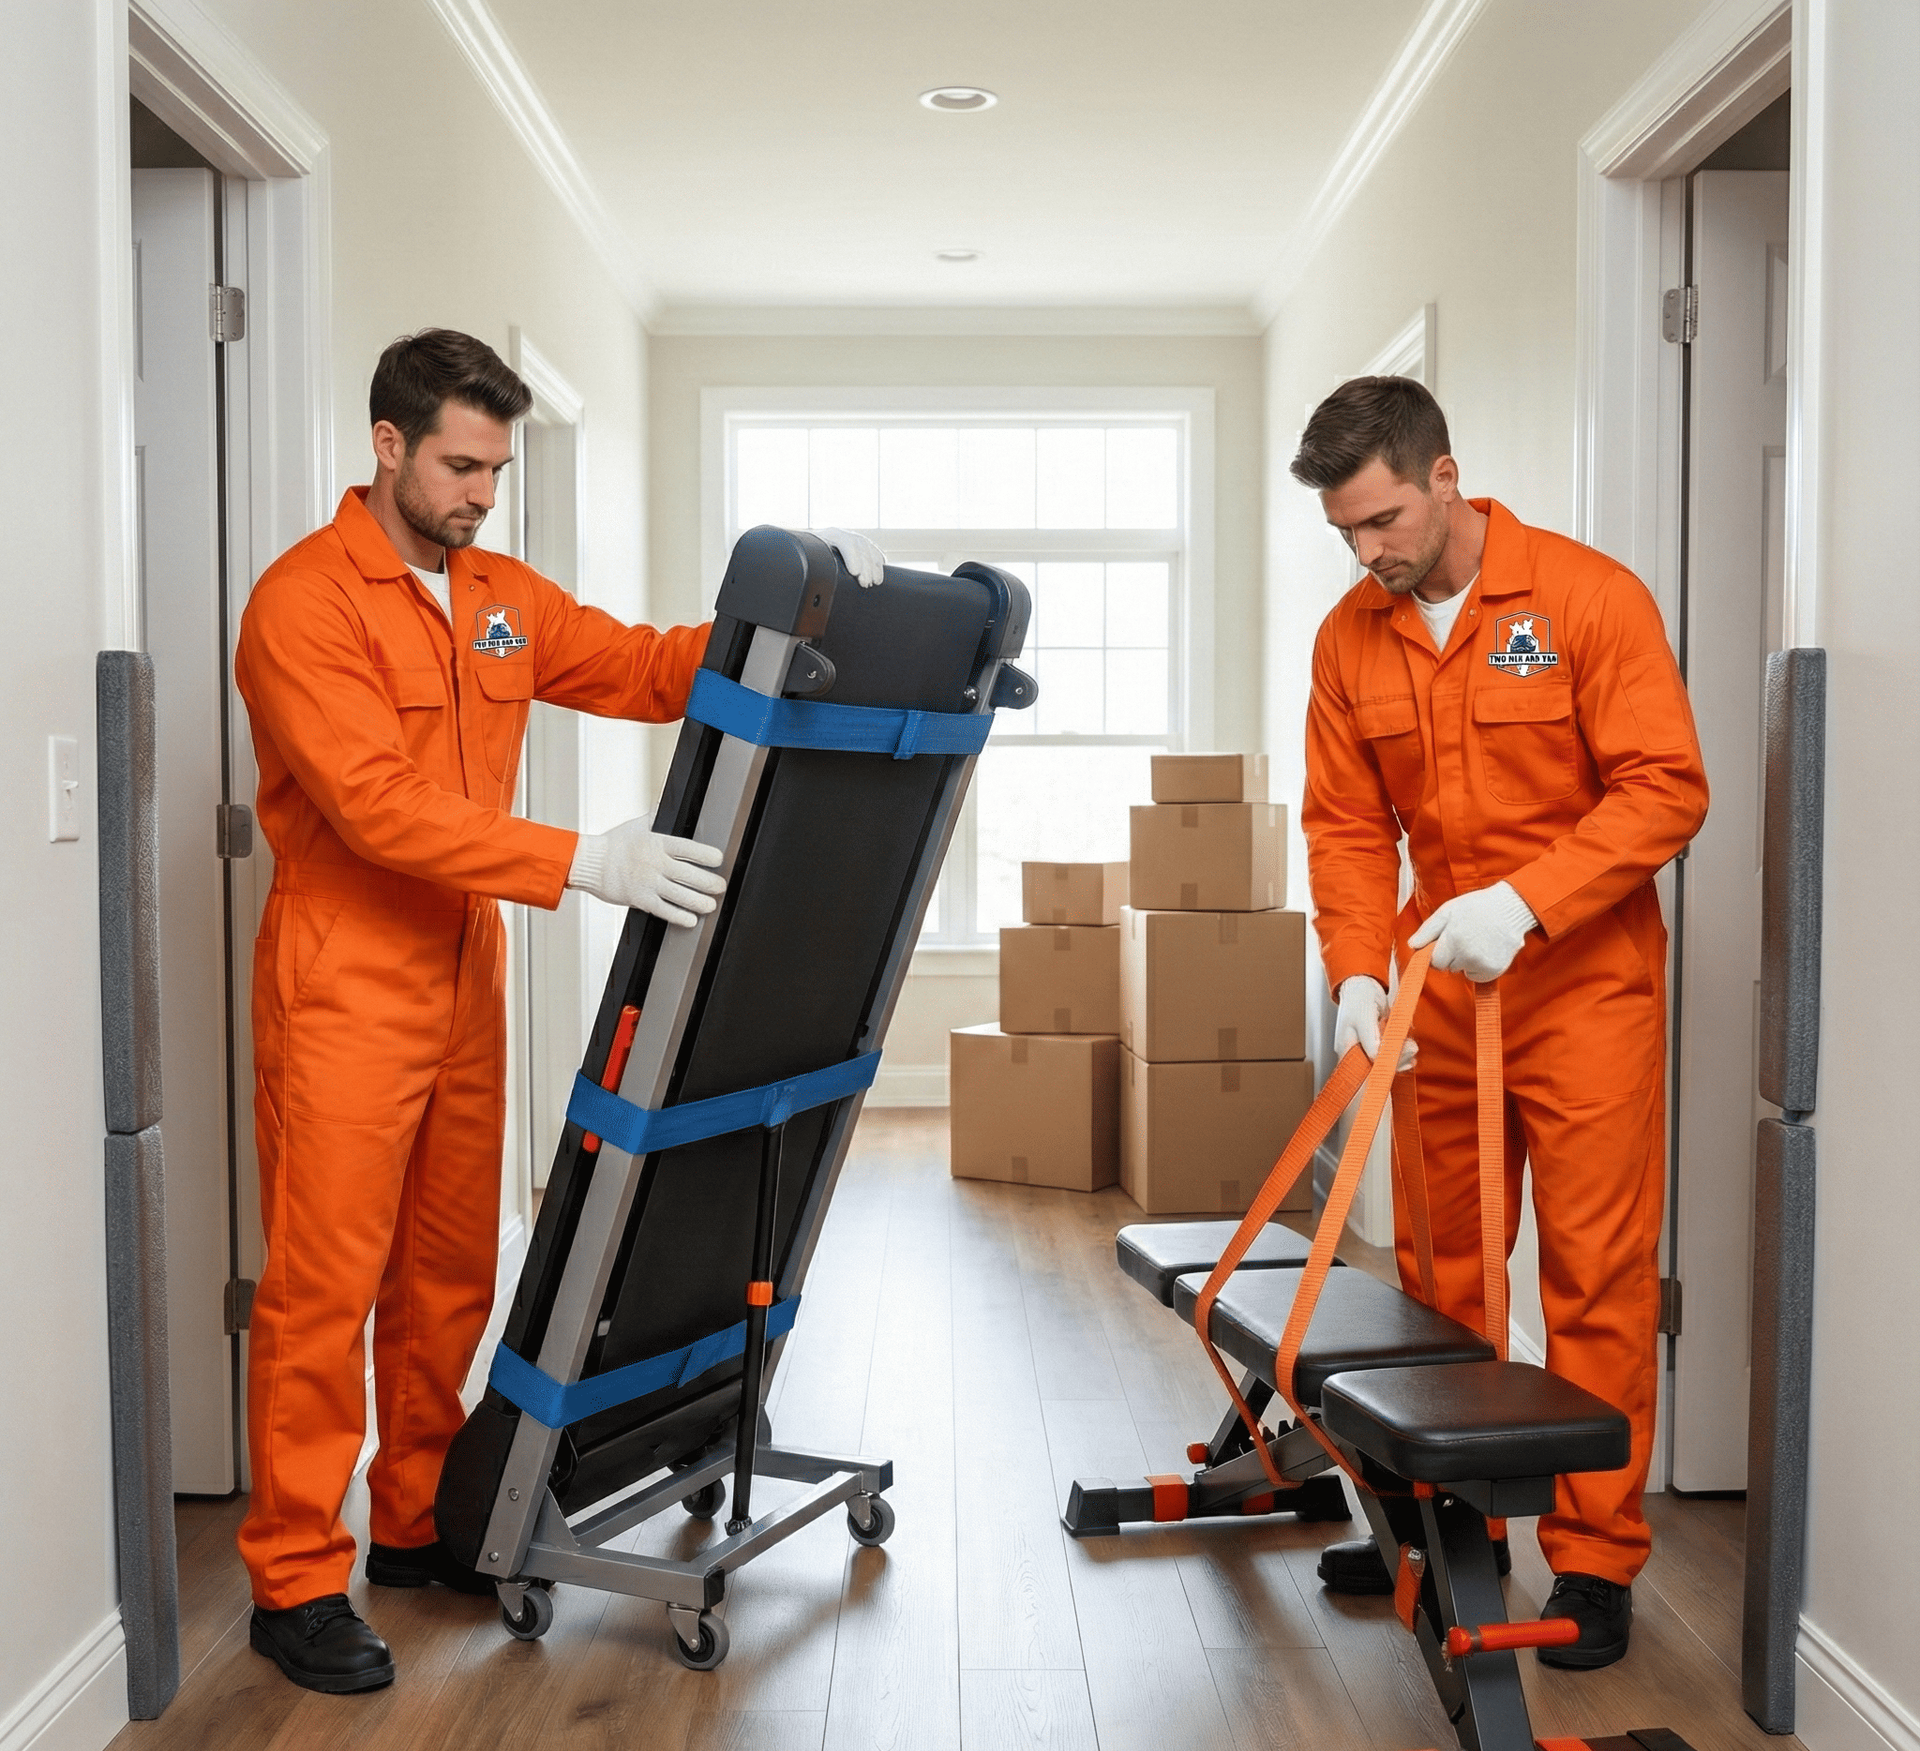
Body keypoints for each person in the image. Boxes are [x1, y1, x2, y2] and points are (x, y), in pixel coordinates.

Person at [231, 328, 884, 1694]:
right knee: (322, 1288)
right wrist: (577, 857)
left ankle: (411, 1524)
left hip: (465, 979)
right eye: (461, 464)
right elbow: (374, 805)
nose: (481, 491)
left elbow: (646, 664)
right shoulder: (304, 603)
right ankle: (294, 1576)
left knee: (447, 1274)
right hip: (346, 982)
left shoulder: (498, 595)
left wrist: (820, 611)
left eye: (497, 468)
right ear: (389, 445)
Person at [1294, 376, 1708, 1670]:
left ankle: (1592, 1563)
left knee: (1592, 1280)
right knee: (1439, 1282)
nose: (1369, 553)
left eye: (1383, 520)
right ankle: (1441, 1534)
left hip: (1585, 991)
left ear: (1447, 474)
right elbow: (1348, 825)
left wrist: (1530, 903)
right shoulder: (1349, 638)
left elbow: (1666, 788)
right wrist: (1358, 970)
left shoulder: (1588, 600)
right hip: (1440, 996)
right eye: (1348, 533)